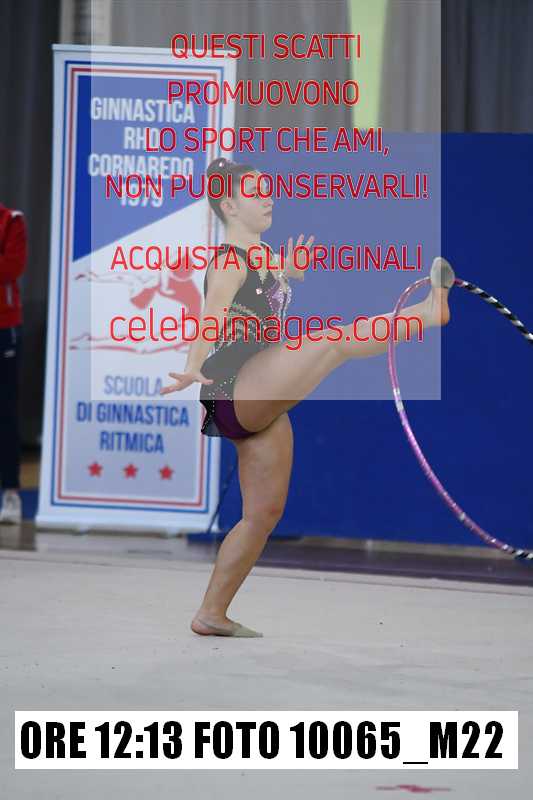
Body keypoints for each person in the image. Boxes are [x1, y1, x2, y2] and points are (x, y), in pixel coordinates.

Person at [161, 158, 455, 637]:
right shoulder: (229, 262)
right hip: (235, 386)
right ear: (229, 206)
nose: (268, 198)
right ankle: (426, 313)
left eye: (268, 189)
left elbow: (264, 289)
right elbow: (211, 315)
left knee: (262, 515)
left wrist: (289, 271)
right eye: (255, 192)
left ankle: (211, 613)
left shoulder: (260, 256)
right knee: (331, 342)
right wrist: (194, 365)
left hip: (255, 391)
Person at [0, 203, 27, 524]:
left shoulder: (11, 221)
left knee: (5, 412)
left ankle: (10, 492)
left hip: (4, 327)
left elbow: (11, 267)